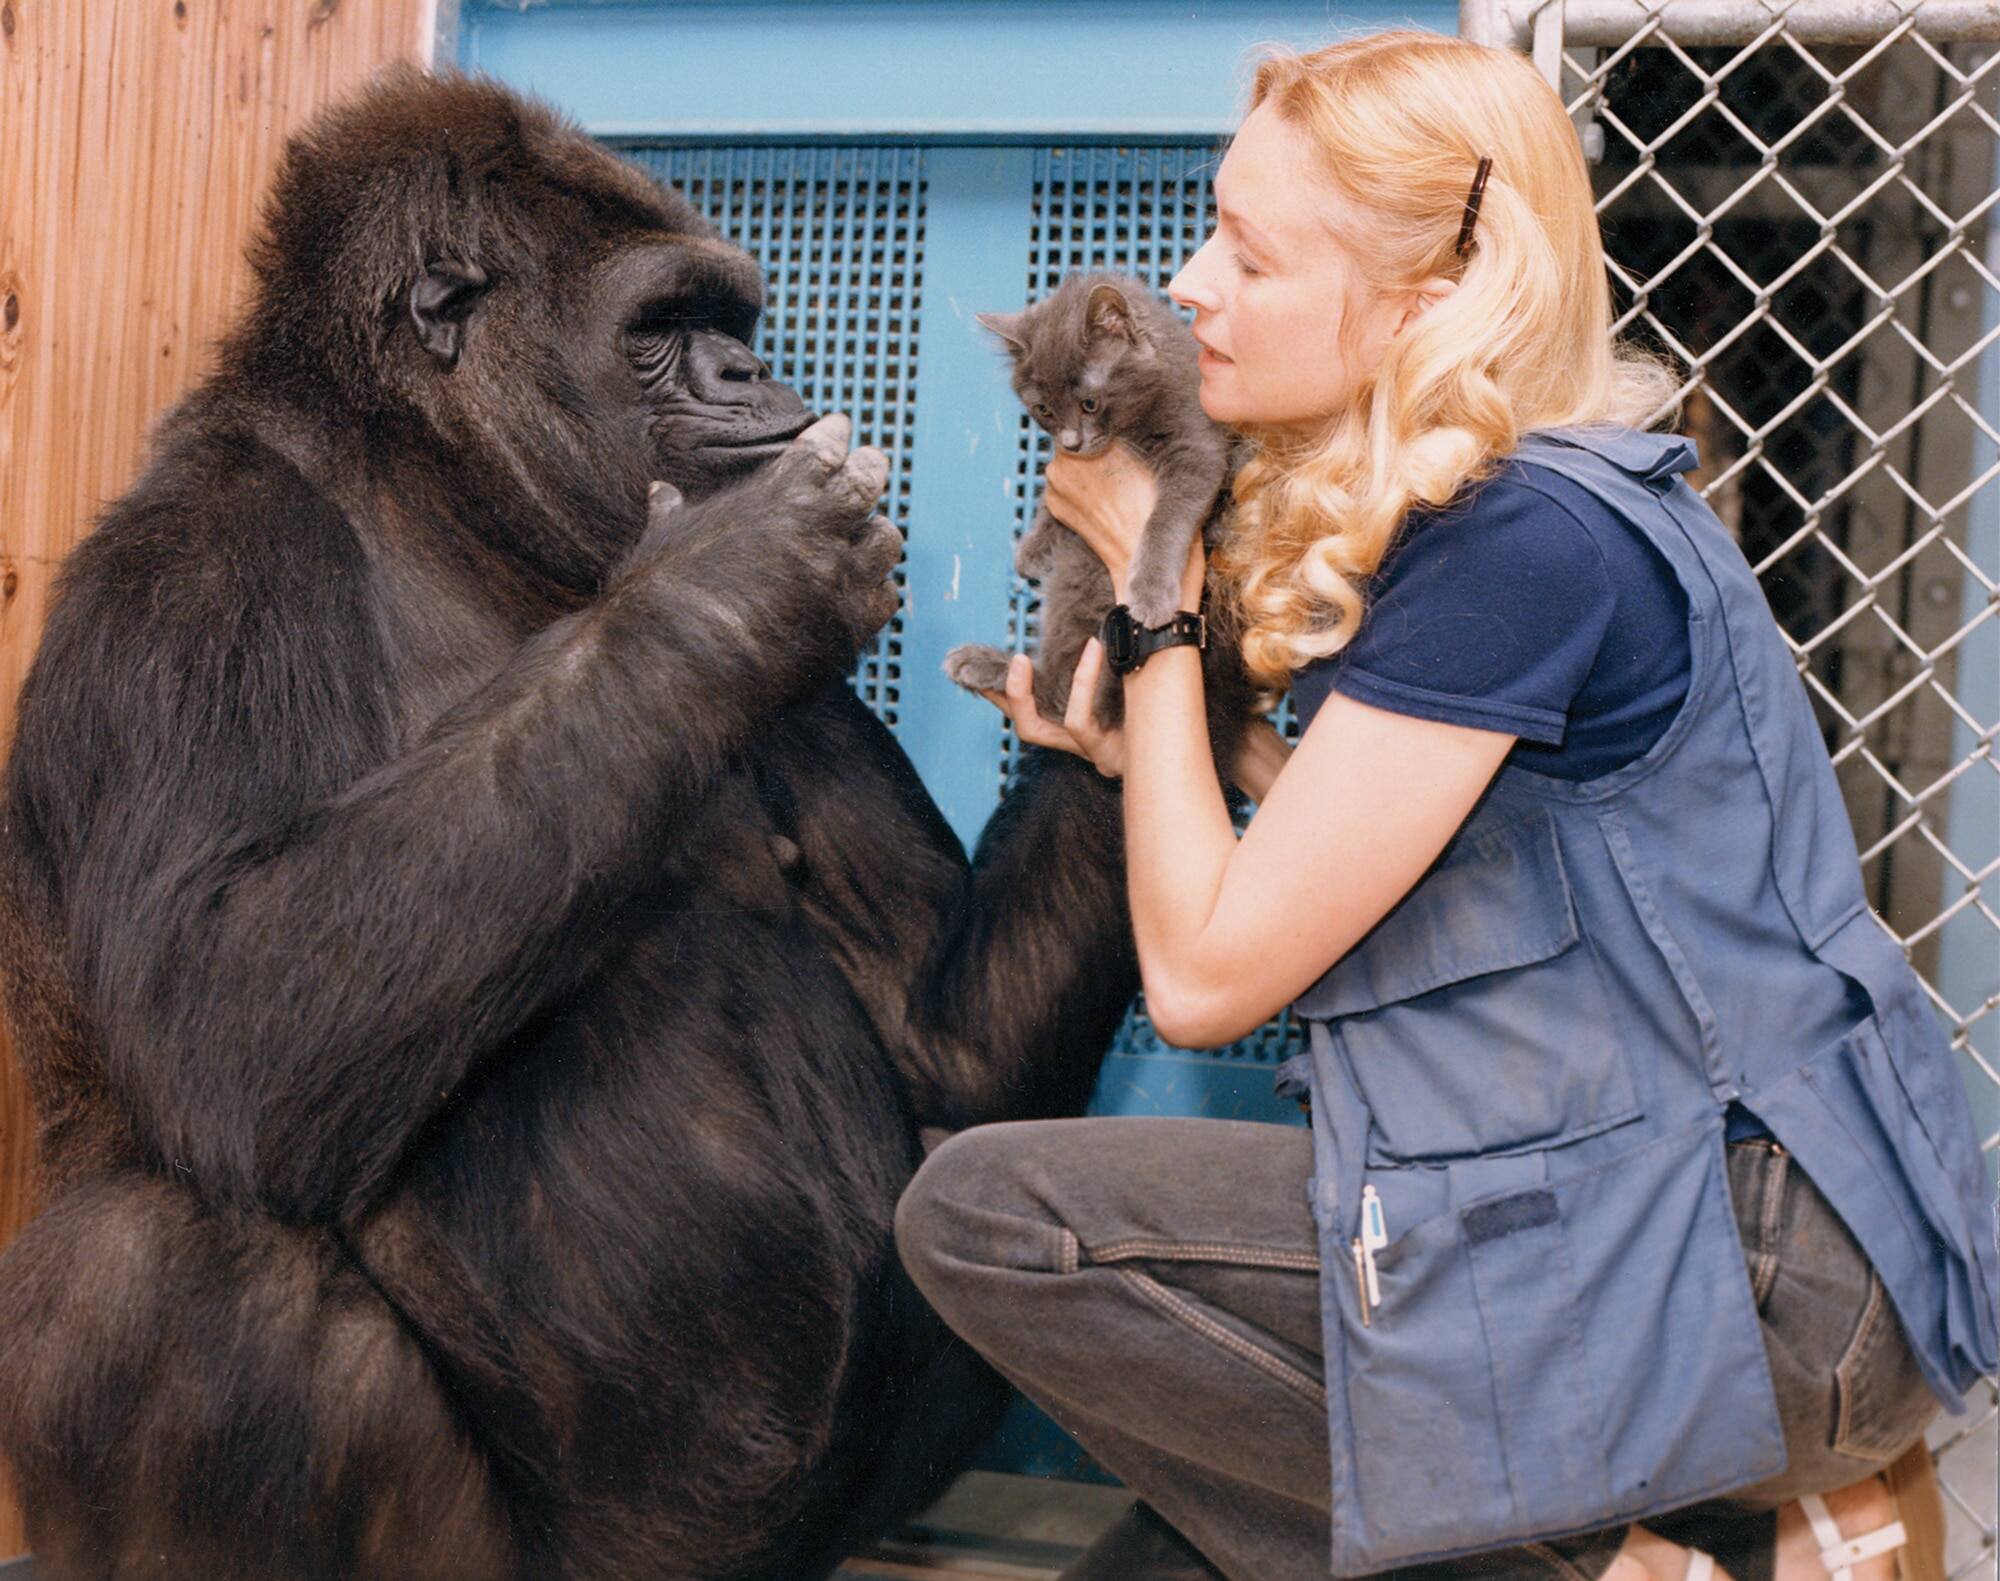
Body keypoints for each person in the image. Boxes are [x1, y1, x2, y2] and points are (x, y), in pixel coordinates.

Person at [892, 29, 1998, 1581]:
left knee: (989, 1217)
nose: (1193, 284)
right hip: (1670, 1229)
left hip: (1740, 1273)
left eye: (1254, 256)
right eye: (1212, 233)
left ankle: (1645, 1564)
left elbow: (1202, 977)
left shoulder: (1520, 542)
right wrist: (1170, 761)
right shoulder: (1512, 512)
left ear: (1425, 301)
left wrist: (1158, 581)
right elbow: (1423, 860)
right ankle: (1779, 1533)